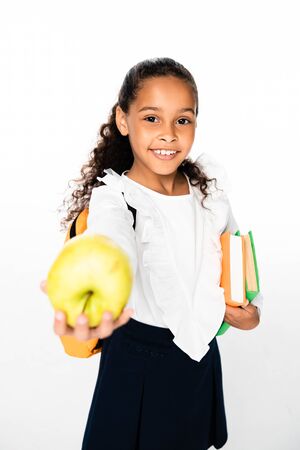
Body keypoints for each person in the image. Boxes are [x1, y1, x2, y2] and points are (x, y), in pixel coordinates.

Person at [41, 57, 263, 450]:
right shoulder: (114, 200)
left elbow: (239, 263)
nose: (168, 134)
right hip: (135, 365)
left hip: (200, 363)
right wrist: (92, 298)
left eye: (183, 120)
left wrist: (250, 313)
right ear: (123, 121)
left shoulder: (210, 196)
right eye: (151, 118)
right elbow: (112, 247)